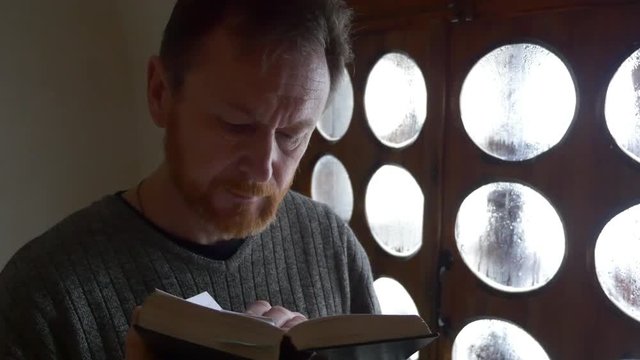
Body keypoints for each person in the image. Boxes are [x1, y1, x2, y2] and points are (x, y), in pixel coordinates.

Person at [0, 0, 381, 359]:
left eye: (291, 135)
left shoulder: (332, 248)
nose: (264, 169)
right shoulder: (41, 296)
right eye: (236, 125)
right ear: (160, 92)